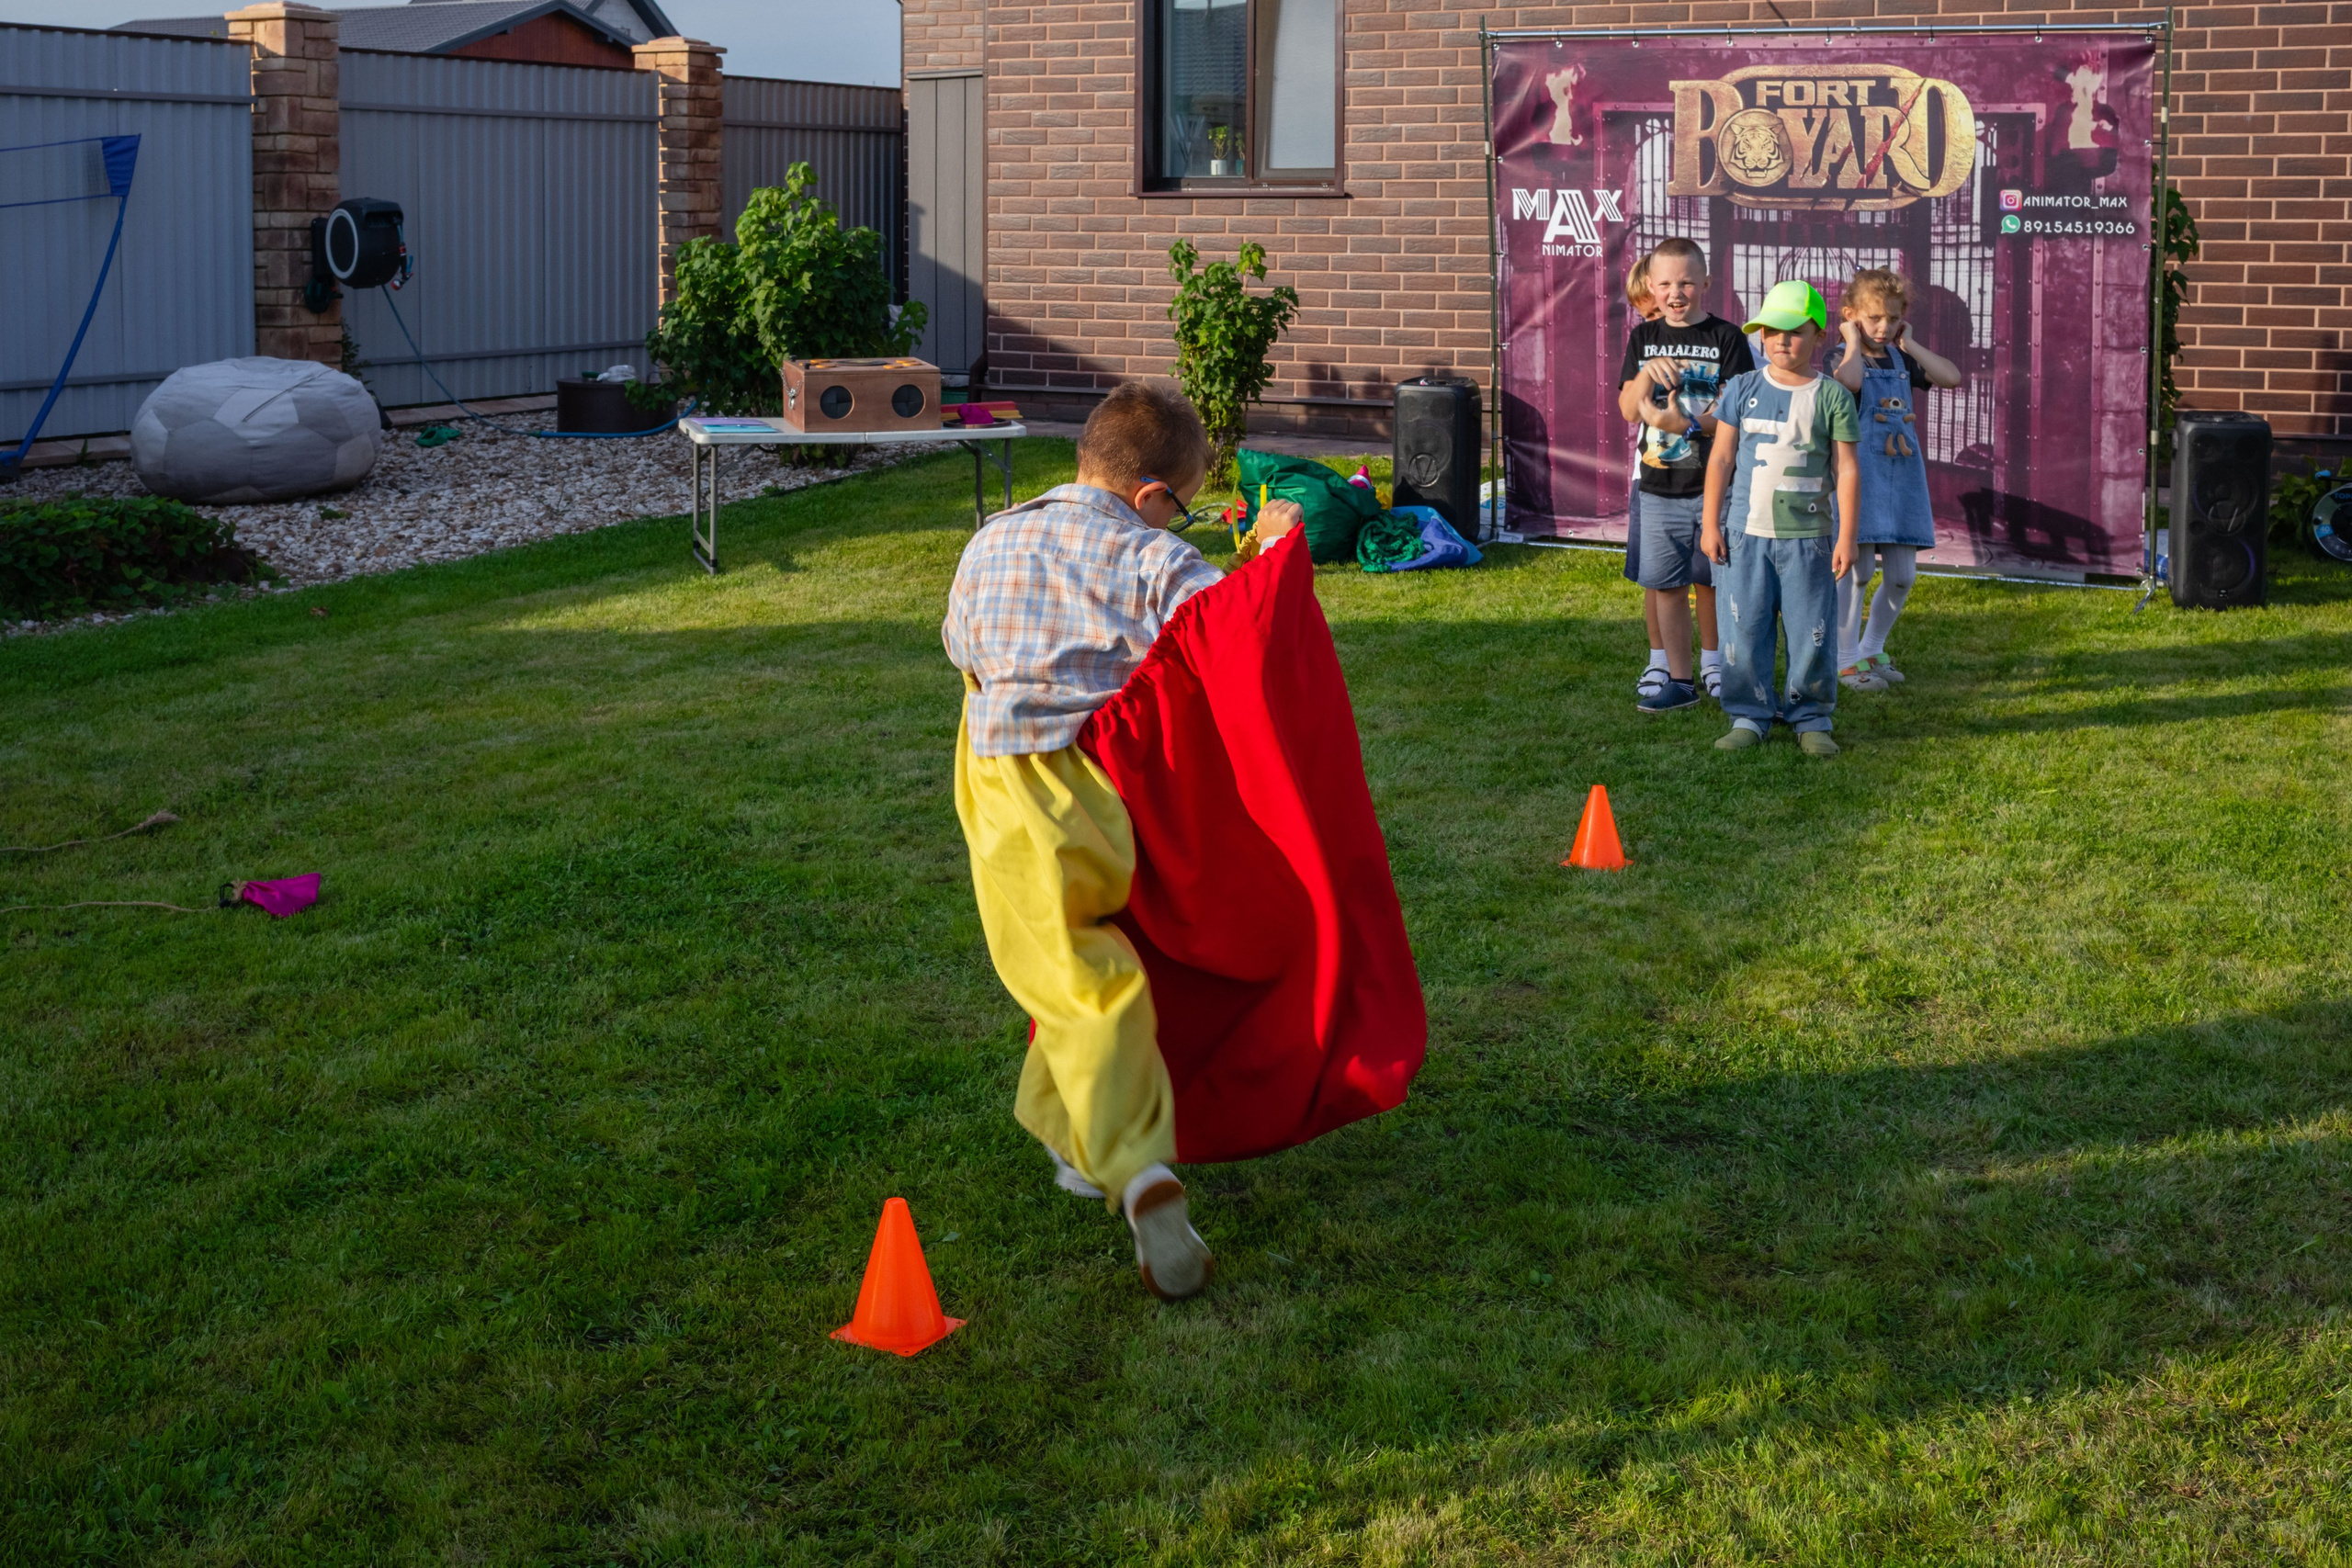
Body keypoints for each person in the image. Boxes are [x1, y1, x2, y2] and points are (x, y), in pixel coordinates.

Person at [941, 384, 1302, 1303]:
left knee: (1070, 978)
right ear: (1150, 497)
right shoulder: (1150, 556)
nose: (1185, 521)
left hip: (1009, 785)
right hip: (1115, 797)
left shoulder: (988, 539)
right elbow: (1232, 631)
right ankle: (1074, 1141)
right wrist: (1267, 553)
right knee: (1092, 964)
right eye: (1186, 505)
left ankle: (1134, 1166)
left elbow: (959, 646)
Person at [1699, 280, 1861, 756]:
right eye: (1770, 330)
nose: (1781, 340)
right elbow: (1722, 460)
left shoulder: (1833, 397)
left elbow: (1846, 468)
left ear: (1818, 335)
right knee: (1743, 627)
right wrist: (1711, 524)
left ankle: (1811, 716)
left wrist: (1847, 536)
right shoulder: (1742, 389)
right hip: (1745, 537)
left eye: (1793, 331)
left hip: (1809, 539)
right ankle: (1748, 714)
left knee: (1812, 629)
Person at [1620, 237, 1749, 713]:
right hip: (1657, 488)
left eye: (1687, 283)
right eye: (1666, 284)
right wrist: (1645, 378)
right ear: (1651, 288)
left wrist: (1685, 424)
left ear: (1706, 284)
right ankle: (1679, 679)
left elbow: (1737, 414)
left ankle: (1717, 666)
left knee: (1716, 581)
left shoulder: (1729, 339)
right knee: (1667, 586)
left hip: (1717, 487)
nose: (1676, 293)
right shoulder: (1643, 339)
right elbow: (1627, 410)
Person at [1824, 268, 1962, 691]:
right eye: (1873, 318)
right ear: (1851, 315)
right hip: (1860, 478)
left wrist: (1911, 343)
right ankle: (1844, 660)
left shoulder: (1904, 358)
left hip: (1902, 480)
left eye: (1892, 318)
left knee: (1902, 575)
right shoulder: (1841, 356)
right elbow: (1846, 382)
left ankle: (1871, 647)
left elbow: (1951, 377)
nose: (1882, 327)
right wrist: (1850, 340)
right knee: (1858, 572)